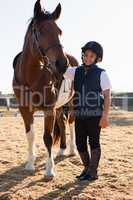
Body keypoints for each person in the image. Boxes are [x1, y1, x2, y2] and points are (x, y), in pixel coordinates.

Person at [63, 41, 111, 181]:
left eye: (91, 56)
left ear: (97, 58)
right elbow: (60, 68)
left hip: (95, 115)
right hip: (79, 114)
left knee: (94, 142)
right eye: (85, 55)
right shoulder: (75, 71)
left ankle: (93, 172)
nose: (87, 58)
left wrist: (105, 116)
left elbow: (107, 96)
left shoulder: (102, 74)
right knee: (80, 143)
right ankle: (86, 168)